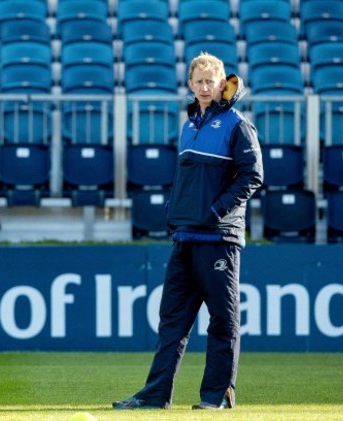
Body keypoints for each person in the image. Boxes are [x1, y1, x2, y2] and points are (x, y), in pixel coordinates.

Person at [113, 53, 263, 410]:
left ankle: (217, 397)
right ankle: (155, 396)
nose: (204, 87)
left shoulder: (237, 124)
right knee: (171, 323)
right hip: (185, 238)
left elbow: (253, 176)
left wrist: (216, 211)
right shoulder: (188, 125)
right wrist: (175, 211)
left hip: (219, 240)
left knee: (222, 322)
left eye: (211, 81)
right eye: (198, 81)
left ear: (222, 83)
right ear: (190, 84)